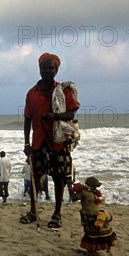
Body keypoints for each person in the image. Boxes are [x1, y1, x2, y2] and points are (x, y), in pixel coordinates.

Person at [21, 53, 80, 229]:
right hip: (38, 141)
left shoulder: (62, 91)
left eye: (51, 68)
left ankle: (57, 214)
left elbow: (71, 113)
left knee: (59, 178)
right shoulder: (32, 93)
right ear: (39, 69)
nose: (47, 70)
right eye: (44, 67)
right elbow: (27, 119)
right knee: (35, 177)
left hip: (58, 142)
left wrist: (55, 116)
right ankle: (33, 211)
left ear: (56, 70)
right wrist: (26, 144)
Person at [71, 177, 117, 256]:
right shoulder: (96, 193)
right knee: (101, 233)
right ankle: (100, 250)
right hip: (97, 215)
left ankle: (93, 252)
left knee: (91, 234)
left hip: (89, 218)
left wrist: (70, 187)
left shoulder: (84, 192)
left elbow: (73, 198)